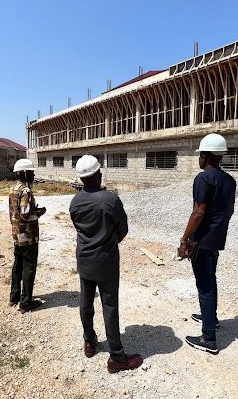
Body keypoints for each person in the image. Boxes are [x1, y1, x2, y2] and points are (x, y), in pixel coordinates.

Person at [69, 155, 143, 373]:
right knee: (109, 306)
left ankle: (89, 341)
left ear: (81, 179)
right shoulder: (110, 200)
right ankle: (117, 356)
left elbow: (79, 228)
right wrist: (110, 241)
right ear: (98, 175)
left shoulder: (75, 202)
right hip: (106, 261)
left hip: (84, 260)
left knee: (86, 301)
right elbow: (123, 229)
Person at [178, 133, 236, 354]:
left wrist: (185, 240)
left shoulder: (203, 179)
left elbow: (198, 212)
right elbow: (229, 211)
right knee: (210, 279)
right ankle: (211, 318)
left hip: (201, 242)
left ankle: (208, 338)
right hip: (216, 239)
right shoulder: (229, 180)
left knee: (204, 285)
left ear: (204, 156)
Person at [8, 159, 46, 313]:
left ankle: (14, 297)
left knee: (17, 266)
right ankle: (26, 302)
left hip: (16, 234)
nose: (33, 175)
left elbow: (14, 213)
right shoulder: (26, 191)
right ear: (24, 173)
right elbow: (25, 214)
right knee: (29, 267)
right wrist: (40, 212)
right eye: (31, 173)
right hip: (28, 236)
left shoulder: (12, 189)